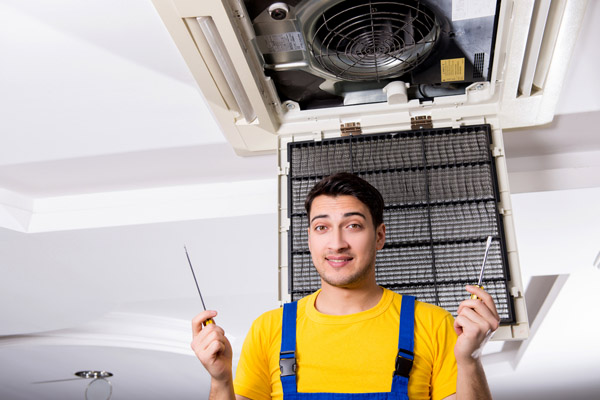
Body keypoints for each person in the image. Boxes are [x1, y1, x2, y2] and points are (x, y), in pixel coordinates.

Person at [192, 172, 500, 400]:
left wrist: (469, 360)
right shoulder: (268, 330)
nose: (337, 243)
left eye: (353, 225)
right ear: (309, 239)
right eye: (322, 227)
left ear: (379, 236)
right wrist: (220, 381)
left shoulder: (433, 324)